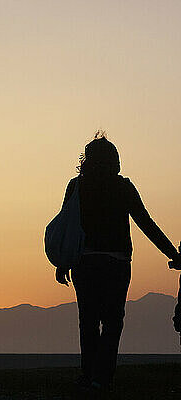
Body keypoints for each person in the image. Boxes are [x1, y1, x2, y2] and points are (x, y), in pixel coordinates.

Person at [55, 133, 181, 390]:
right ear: (115, 161)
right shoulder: (123, 188)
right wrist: (173, 254)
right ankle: (103, 377)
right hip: (117, 263)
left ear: (86, 160)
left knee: (87, 320)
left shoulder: (76, 186)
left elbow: (66, 228)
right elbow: (146, 223)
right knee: (113, 321)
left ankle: (88, 374)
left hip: (85, 262)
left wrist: (62, 262)